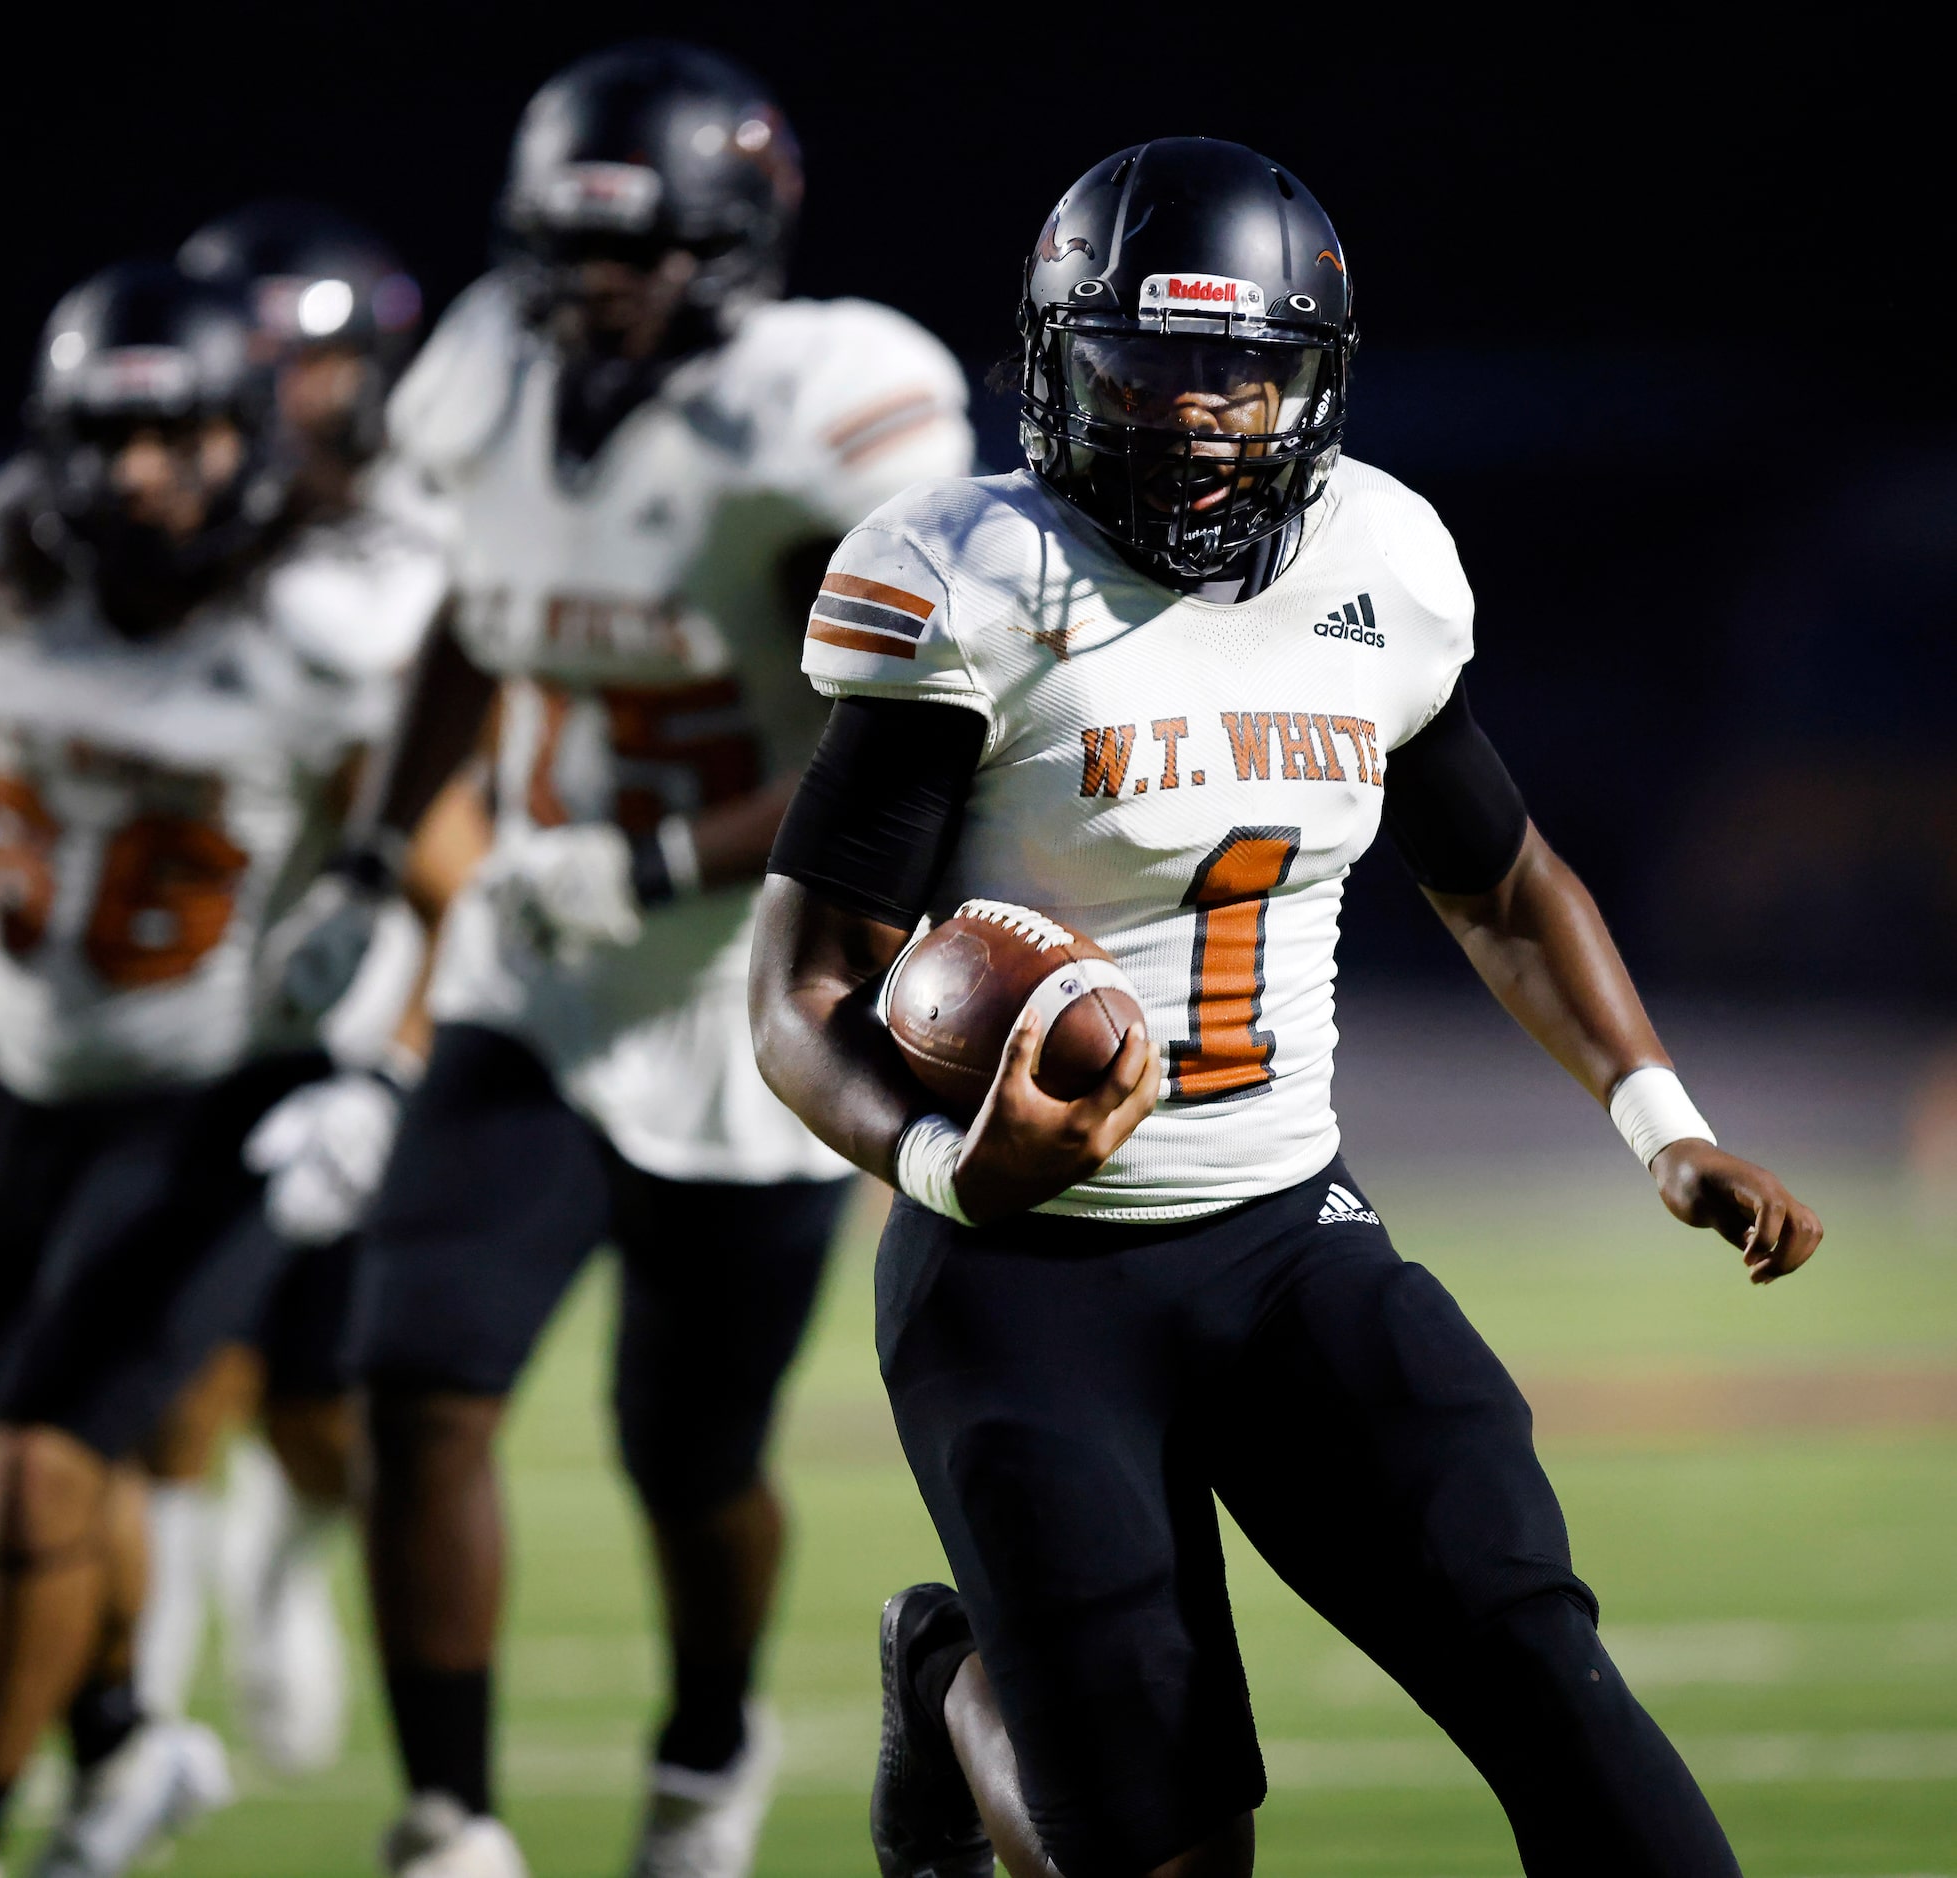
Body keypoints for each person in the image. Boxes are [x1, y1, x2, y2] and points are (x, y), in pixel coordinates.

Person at [748, 137, 1824, 1878]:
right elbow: (801, 990)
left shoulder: (1378, 561)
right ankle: (959, 1696)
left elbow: (1501, 880)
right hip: (1018, 1277)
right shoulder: (965, 578)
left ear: (1306, 381)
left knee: (1540, 1670)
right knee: (1165, 1851)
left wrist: (1663, 1122)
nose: (1190, 418)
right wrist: (950, 1159)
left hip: (1287, 1236)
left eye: (1236, 375)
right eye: (1142, 369)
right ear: (1051, 367)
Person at [293, 40, 973, 1878]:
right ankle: (449, 1819)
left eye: (637, 251)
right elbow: (469, 610)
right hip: (538, 969)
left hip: (748, 989)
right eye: (564, 249)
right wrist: (377, 849)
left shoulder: (823, 398)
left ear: (735, 243)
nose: (588, 289)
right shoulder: (488, 379)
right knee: (416, 1379)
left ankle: (704, 1748)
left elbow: (906, 733)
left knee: (687, 1455)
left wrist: (664, 853)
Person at [0, 259, 447, 1878]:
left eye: (173, 437)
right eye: (106, 437)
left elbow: (442, 868)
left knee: (35, 1471)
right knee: (42, 1455)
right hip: (29, 1076)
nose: (135, 475)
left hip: (221, 1099)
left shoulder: (328, 617)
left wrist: (379, 1079)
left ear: (245, 436)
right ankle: (125, 1737)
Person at [105, 200, 434, 1778]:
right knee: (168, 1376)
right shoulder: (146, 526)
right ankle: (138, 1720)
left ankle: (278, 1555)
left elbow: (457, 814)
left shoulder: (425, 532)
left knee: (324, 1413)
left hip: (357, 1001)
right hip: (187, 1007)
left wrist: (400, 1052)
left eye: (291, 367)